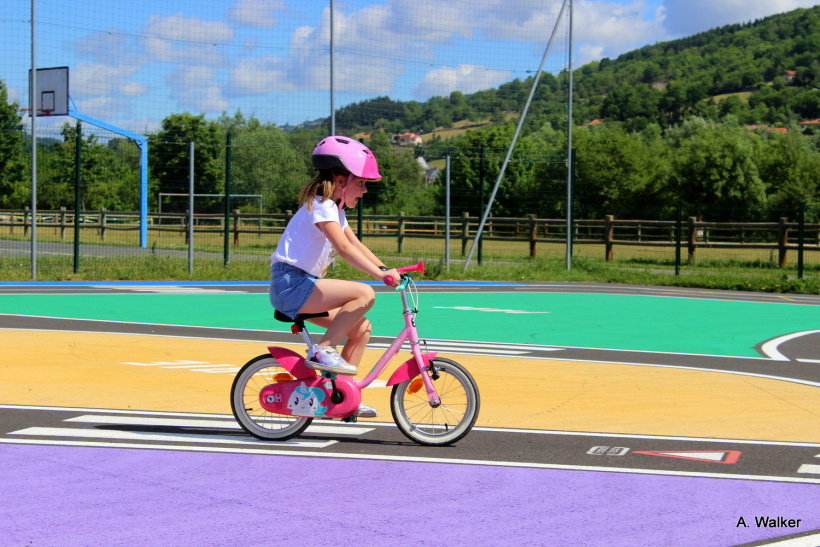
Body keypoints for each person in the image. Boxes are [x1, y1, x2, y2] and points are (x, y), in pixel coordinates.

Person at [269, 135, 400, 418]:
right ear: (341, 181)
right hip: (291, 284)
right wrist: (379, 276)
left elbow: (355, 245)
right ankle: (324, 349)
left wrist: (387, 269)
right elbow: (342, 248)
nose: (365, 190)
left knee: (361, 329)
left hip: (303, 286)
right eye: (361, 182)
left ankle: (344, 396)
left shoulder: (336, 211)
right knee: (364, 293)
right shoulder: (322, 205)